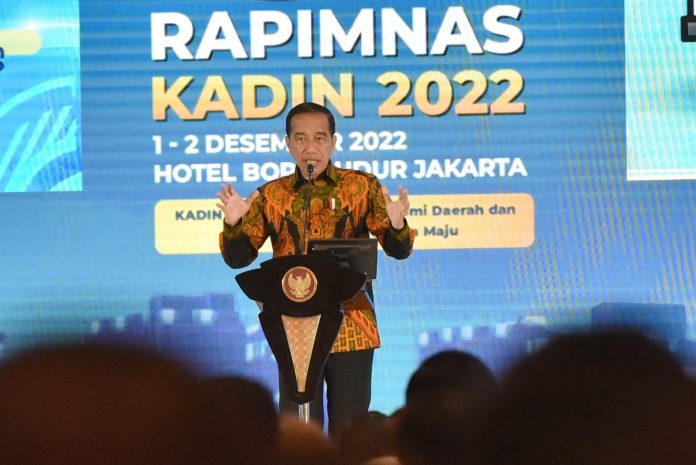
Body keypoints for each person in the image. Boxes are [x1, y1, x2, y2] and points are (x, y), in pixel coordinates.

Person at [217, 102, 415, 435]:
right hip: (295, 328)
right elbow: (238, 258)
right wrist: (233, 222)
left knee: (350, 429)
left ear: (334, 142)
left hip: (351, 325)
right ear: (289, 144)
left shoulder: (363, 187)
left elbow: (399, 250)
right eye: (301, 138)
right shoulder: (271, 195)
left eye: (320, 138)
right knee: (300, 428)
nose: (311, 147)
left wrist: (396, 225)